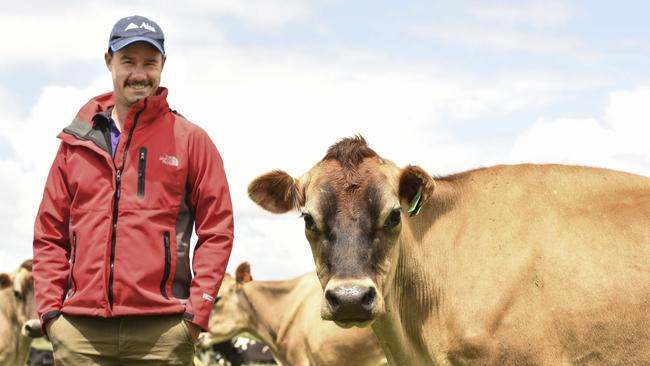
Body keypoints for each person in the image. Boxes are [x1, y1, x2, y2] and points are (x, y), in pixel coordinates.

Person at [32, 15, 234, 365]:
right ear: (109, 61)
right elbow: (49, 233)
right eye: (128, 61)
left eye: (149, 63)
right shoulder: (76, 143)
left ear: (163, 66)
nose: (139, 74)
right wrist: (51, 314)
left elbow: (217, 230)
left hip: (163, 333)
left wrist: (196, 316)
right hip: (81, 335)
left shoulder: (191, 141)